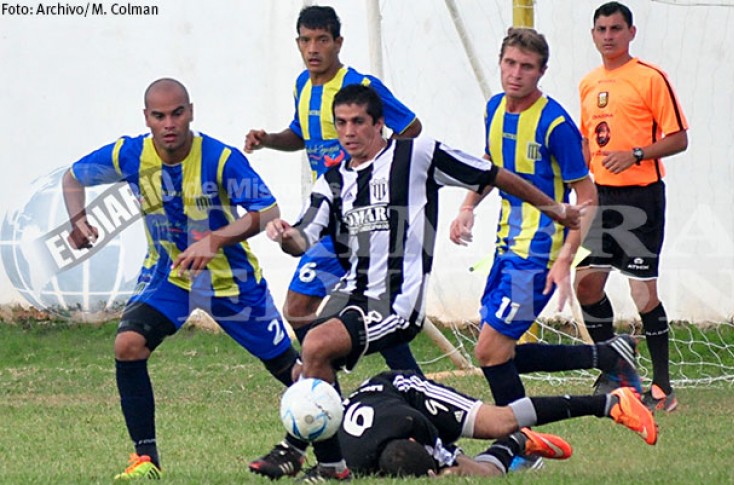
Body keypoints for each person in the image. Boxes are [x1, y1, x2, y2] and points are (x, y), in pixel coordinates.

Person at [251, 83, 584, 482]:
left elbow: (493, 174)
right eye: (341, 123)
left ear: (380, 124)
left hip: (397, 302)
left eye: (358, 122)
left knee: (317, 345)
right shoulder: (333, 179)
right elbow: (304, 236)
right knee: (313, 357)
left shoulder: (417, 155)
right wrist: (286, 236)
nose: (349, 132)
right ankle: (328, 464)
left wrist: (555, 209)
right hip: (353, 293)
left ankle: (302, 453)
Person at [62, 78, 299, 480]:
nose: (169, 124)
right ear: (147, 118)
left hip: (230, 281)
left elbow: (267, 212)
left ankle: (338, 443)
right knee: (128, 345)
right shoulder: (130, 154)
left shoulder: (220, 159)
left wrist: (215, 240)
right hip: (169, 277)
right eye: (159, 116)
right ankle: (146, 460)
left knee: (292, 372)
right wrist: (78, 220)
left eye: (177, 113)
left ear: (191, 112)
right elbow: (72, 177)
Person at [449, 28, 642, 470]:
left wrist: (564, 258)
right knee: (500, 351)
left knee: (490, 350)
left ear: (542, 72)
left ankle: (522, 446)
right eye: (510, 63)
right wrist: (467, 207)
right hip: (505, 247)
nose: (516, 74)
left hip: (538, 254)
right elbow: (490, 168)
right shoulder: (494, 109)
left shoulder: (555, 125)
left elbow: (587, 198)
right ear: (500, 63)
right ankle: (608, 354)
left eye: (527, 67)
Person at [243, 5, 422, 374]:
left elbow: (411, 127)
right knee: (299, 307)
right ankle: (330, 387)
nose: (313, 49)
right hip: (328, 219)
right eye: (306, 40)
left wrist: (378, 167)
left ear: (338, 43)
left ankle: (406, 385)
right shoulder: (302, 85)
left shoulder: (360, 87)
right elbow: (301, 134)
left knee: (367, 308)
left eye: (322, 40)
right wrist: (269, 140)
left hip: (364, 219)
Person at [575, 2, 689, 412]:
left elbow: (679, 139)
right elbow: (588, 141)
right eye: (602, 29)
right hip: (602, 199)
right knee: (586, 285)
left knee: (642, 293)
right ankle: (615, 368)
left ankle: (663, 388)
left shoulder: (650, 78)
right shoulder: (588, 83)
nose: (609, 36)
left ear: (631, 32)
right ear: (593, 35)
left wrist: (637, 153)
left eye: (616, 28)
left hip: (641, 198)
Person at [338, 370, 657, 477]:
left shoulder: (416, 427)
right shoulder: (352, 462)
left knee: (496, 422)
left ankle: (611, 403)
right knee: (483, 474)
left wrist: (451, 469)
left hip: (404, 392)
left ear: (413, 442)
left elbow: (446, 463)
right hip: (381, 417)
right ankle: (519, 442)